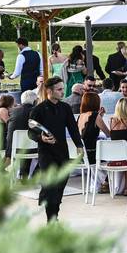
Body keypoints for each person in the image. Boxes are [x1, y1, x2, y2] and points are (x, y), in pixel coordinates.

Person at [28, 77, 83, 221]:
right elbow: (31, 131)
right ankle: (52, 219)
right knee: (52, 186)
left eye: (62, 89)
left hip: (62, 152)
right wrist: (41, 137)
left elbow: (73, 128)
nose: (62, 92)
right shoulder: (38, 109)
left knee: (60, 186)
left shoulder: (65, 108)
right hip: (46, 154)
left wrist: (79, 145)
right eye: (59, 89)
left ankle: (46, 196)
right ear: (49, 91)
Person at [6, 90, 38, 175]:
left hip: (14, 148)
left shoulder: (13, 111)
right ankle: (34, 175)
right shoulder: (37, 111)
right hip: (33, 149)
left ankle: (23, 175)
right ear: (35, 101)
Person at [77, 91, 109, 165]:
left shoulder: (80, 116)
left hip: (82, 154)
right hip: (92, 154)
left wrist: (100, 116)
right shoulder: (95, 116)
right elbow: (108, 134)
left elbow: (88, 130)